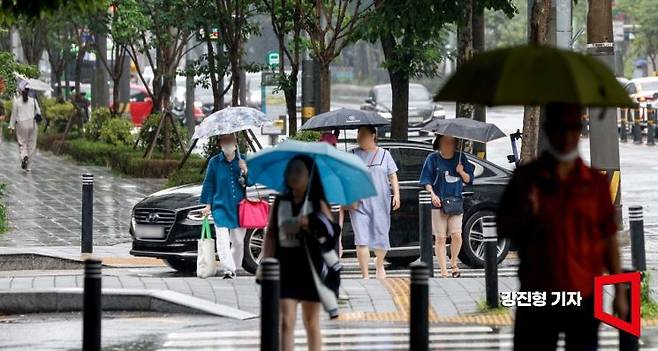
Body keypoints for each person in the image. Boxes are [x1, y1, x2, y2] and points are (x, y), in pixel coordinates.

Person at [496, 103, 627, 351]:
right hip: (538, 292)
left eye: (573, 128)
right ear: (548, 130)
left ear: (580, 130)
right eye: (560, 128)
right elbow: (503, 229)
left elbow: (608, 239)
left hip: (583, 293)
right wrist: (528, 213)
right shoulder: (526, 179)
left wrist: (620, 289)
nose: (567, 136)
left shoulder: (595, 184)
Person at [261, 155, 341, 351]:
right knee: (286, 321)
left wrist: (311, 221)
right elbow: (271, 233)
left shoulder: (317, 202)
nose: (294, 175)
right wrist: (265, 264)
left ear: (309, 175)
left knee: (311, 322)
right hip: (285, 267)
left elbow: (332, 233)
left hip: (310, 268)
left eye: (299, 171)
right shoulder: (280, 201)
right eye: (291, 170)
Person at [349, 126, 400, 279]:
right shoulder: (352, 154)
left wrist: (396, 194)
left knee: (381, 236)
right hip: (358, 203)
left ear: (373, 136)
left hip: (380, 202)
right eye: (358, 134)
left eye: (363, 134)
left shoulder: (385, 154)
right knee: (361, 239)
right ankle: (365, 275)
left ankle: (379, 264)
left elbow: (392, 176)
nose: (359, 137)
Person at [419, 135, 474, 278]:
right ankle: (443, 270)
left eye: (450, 142)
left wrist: (461, 171)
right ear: (438, 143)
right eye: (444, 142)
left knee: (456, 235)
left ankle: (454, 263)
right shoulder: (432, 159)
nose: (447, 145)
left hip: (455, 202)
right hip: (438, 203)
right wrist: (432, 195)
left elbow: (469, 180)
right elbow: (426, 180)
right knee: (440, 238)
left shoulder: (461, 158)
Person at [200, 134, 251, 279]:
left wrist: (246, 170)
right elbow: (209, 184)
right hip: (220, 206)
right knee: (222, 240)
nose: (227, 144)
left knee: (238, 242)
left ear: (236, 143)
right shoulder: (214, 162)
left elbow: (251, 182)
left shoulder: (243, 160)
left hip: (239, 207)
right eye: (224, 141)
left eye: (230, 140)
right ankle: (228, 269)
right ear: (220, 144)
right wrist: (208, 205)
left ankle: (234, 267)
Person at [8, 82, 41, 172]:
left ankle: (24, 156)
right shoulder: (33, 100)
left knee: (22, 143)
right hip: (32, 124)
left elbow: (13, 115)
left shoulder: (17, 101)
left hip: (21, 124)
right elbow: (38, 112)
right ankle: (29, 167)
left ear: (21, 91)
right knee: (31, 145)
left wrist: (11, 127)